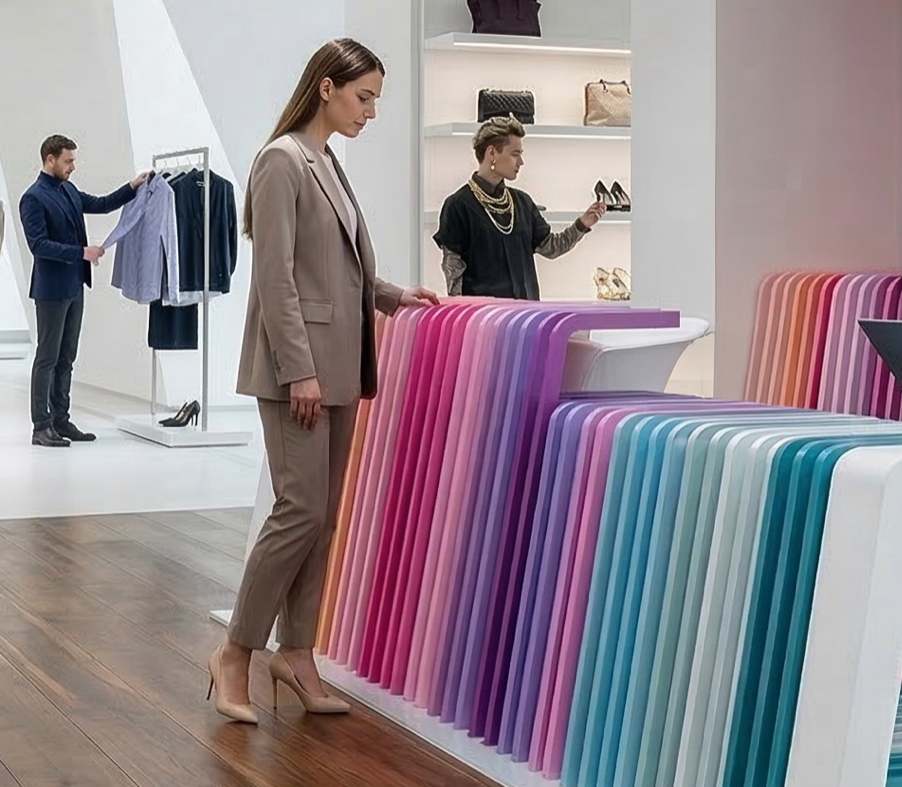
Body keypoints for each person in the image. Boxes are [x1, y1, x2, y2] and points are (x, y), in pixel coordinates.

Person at [212, 38, 440, 724]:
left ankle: (298, 653)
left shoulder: (326, 163)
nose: (371, 110)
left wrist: (394, 296)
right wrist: (300, 370)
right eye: (364, 95)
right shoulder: (281, 160)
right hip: (299, 373)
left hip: (341, 364)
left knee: (323, 519)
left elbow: (333, 269)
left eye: (375, 98)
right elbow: (275, 276)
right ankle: (234, 652)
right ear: (326, 88)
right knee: (299, 512)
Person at [18, 134, 146, 448]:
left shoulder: (69, 190)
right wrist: (81, 253)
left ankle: (61, 420)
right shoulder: (33, 197)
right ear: (50, 159)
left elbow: (101, 204)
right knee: (47, 357)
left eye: (73, 160)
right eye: (68, 160)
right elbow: (39, 246)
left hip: (75, 286)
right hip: (51, 290)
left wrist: (132, 187)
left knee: (67, 358)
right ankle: (41, 426)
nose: (73, 166)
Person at [434, 115, 606, 298]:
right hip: (483, 318)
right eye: (515, 154)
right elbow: (453, 271)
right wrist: (460, 315)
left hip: (526, 317)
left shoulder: (522, 202)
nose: (520, 162)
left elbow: (551, 247)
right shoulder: (458, 205)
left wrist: (583, 223)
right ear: (491, 153)